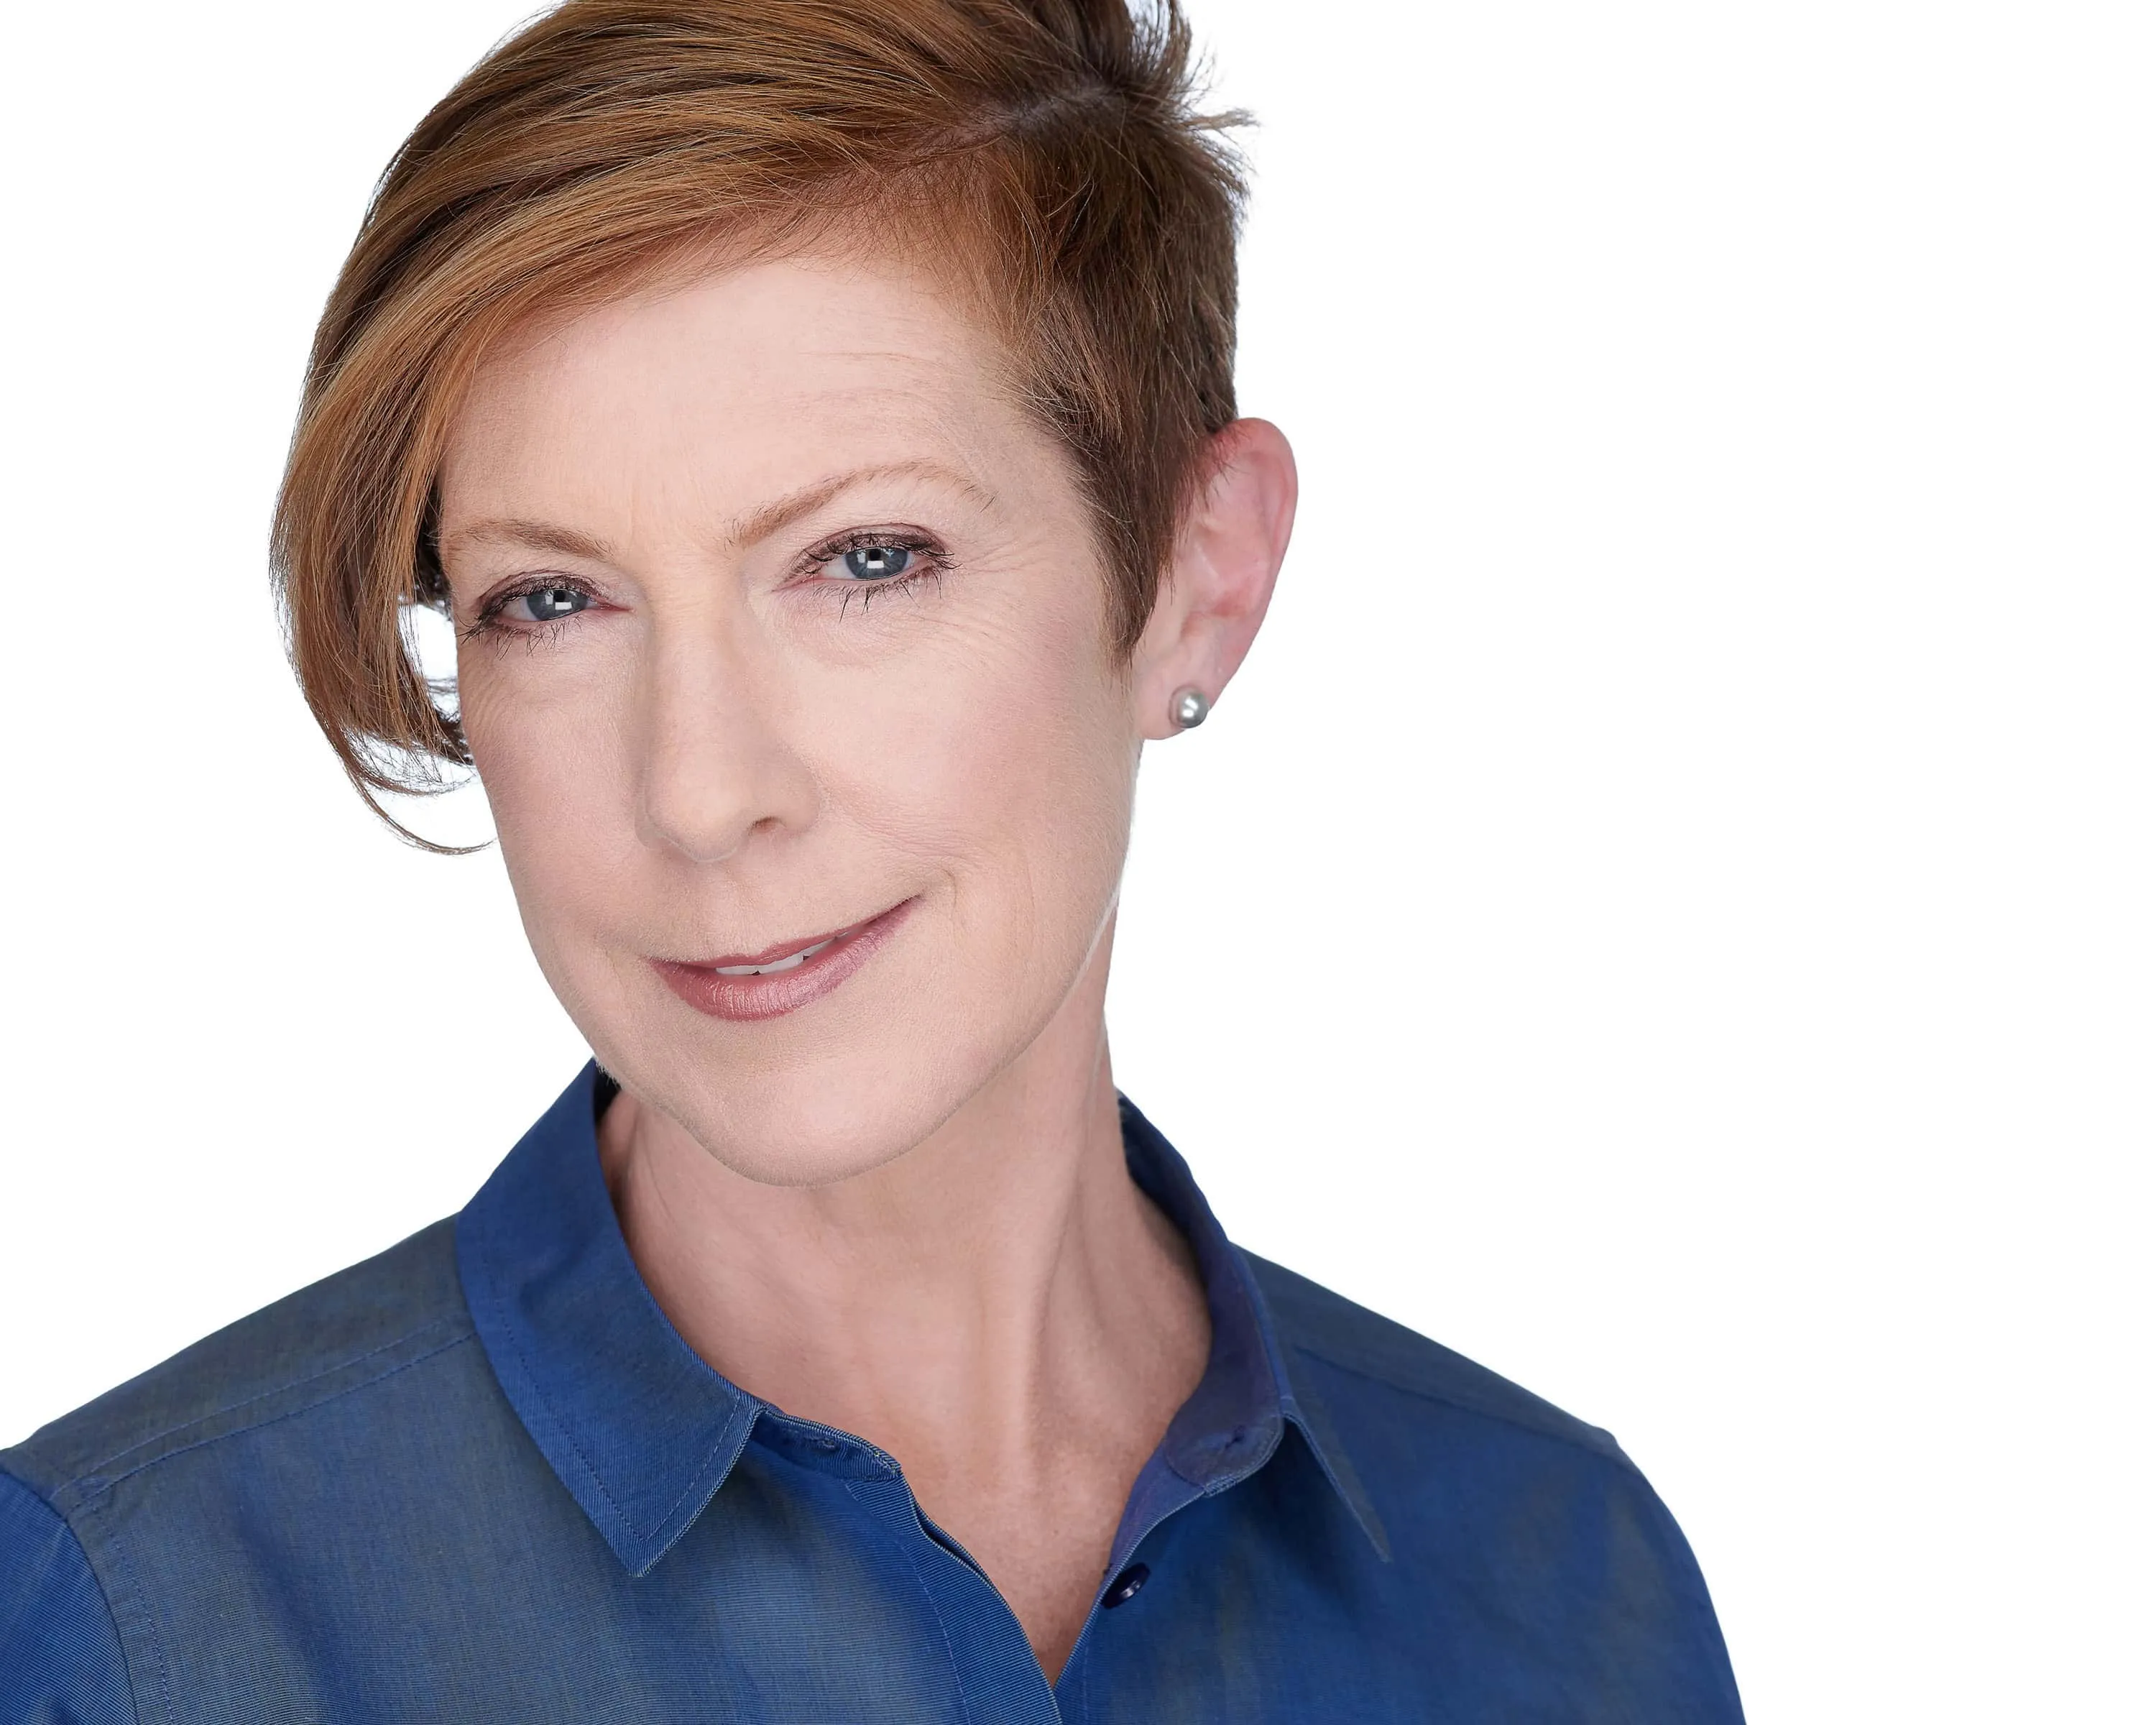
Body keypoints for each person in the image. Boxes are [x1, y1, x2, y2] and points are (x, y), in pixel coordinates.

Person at [0, 1, 1745, 1717]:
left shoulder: (1557, 1583)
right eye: (550, 600)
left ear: (1198, 576)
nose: (697, 790)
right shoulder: (142, 1625)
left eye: (866, 561)